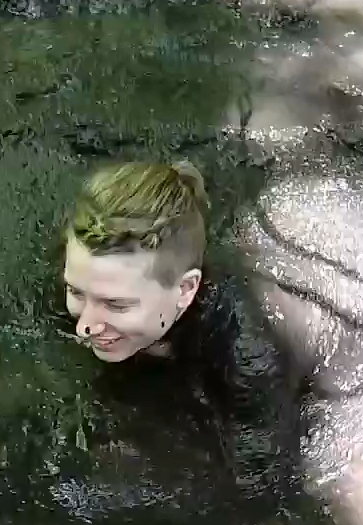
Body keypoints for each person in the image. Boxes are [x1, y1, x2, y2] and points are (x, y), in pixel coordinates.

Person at [60, 161, 298, 502]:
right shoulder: (87, 269)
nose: (84, 325)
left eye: (116, 304)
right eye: (76, 292)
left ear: (185, 290)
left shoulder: (245, 356)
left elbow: (264, 488)